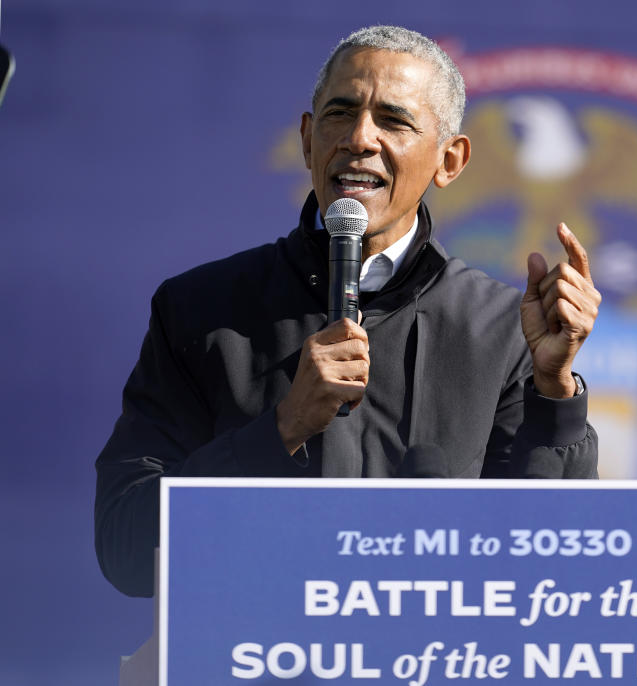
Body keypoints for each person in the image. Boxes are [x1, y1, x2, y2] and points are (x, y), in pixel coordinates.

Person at [95, 25, 601, 598]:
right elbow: (127, 548)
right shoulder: (200, 310)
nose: (360, 137)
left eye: (393, 119)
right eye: (340, 113)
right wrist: (281, 431)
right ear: (308, 140)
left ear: (450, 159)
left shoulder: (500, 328)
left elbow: (550, 567)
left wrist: (555, 391)